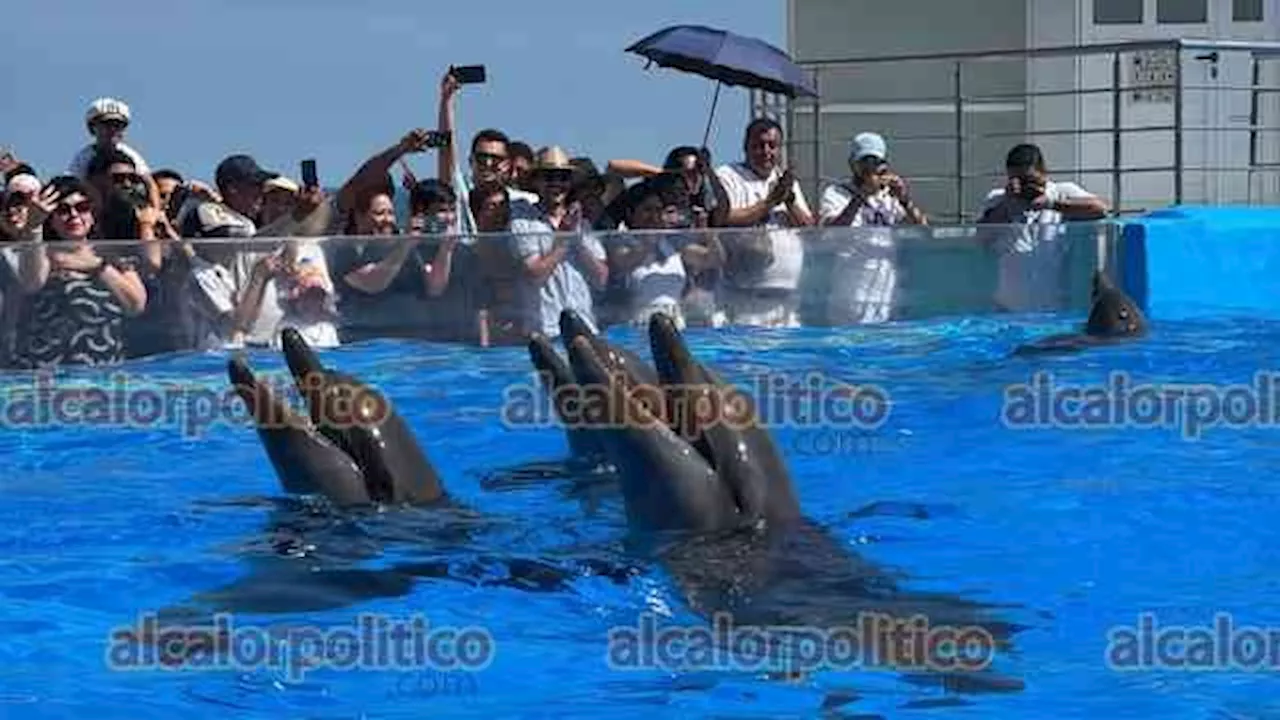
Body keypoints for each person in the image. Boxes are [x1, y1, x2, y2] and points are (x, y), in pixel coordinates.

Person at [977, 143, 1110, 312]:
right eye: (1019, 180)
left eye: (1031, 180)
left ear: (1044, 173)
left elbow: (1101, 209)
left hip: (1052, 305)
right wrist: (1007, 207)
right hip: (1008, 306)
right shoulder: (997, 200)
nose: (1025, 187)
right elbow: (981, 237)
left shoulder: (1062, 192)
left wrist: (1053, 204)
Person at [714, 118, 814, 328]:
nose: (766, 151)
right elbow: (724, 219)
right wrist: (770, 202)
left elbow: (809, 227)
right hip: (745, 300)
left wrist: (789, 200)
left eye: (772, 146)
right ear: (745, 146)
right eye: (759, 145)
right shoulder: (727, 175)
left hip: (787, 302)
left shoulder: (785, 181)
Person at [819, 132, 927, 325]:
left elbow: (923, 230)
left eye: (875, 162)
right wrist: (861, 196)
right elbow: (832, 230)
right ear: (853, 164)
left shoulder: (890, 197)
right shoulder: (835, 193)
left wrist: (905, 200)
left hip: (886, 298)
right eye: (865, 162)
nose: (870, 169)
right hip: (849, 299)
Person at [509, 146, 609, 338]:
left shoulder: (582, 222)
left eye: (562, 177)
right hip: (545, 332)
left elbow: (601, 279)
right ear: (536, 181)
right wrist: (563, 240)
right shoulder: (522, 221)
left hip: (586, 329)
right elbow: (534, 275)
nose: (556, 183)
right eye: (549, 177)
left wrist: (577, 241)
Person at [67, 98, 152, 179]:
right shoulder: (82, 158)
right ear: (93, 128)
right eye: (106, 124)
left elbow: (148, 182)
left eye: (117, 125)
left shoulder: (133, 156)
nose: (113, 129)